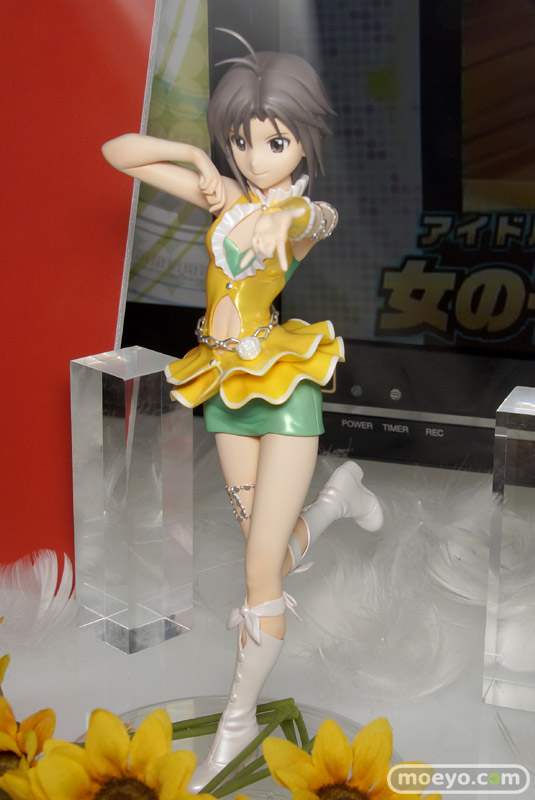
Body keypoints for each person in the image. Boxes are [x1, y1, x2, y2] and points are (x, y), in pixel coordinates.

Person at [103, 29, 383, 792]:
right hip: (223, 386)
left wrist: (282, 219)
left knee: (260, 576)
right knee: (262, 546)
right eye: (241, 141)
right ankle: (338, 501)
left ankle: (234, 725)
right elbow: (116, 153)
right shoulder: (224, 196)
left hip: (282, 389)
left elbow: (314, 220)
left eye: (274, 142)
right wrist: (196, 161)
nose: (257, 158)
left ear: (302, 143)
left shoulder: (304, 212)